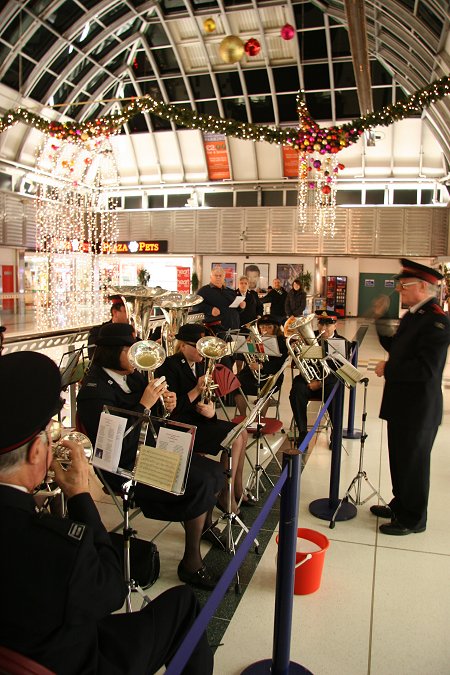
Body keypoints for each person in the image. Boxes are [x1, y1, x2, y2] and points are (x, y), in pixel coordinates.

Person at [0, 351, 213, 675]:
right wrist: (80, 495)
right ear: (35, 452)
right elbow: (112, 590)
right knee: (183, 605)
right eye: (48, 433)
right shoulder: (55, 550)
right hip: (78, 660)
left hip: (28, 644)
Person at [77, 322, 225, 589]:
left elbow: (156, 418)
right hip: (123, 465)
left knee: (214, 472)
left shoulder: (133, 374)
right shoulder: (93, 389)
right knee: (202, 481)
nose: (136, 357)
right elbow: (110, 446)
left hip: (148, 448)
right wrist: (144, 403)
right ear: (111, 352)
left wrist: (164, 403)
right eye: (129, 351)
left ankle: (202, 525)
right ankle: (191, 563)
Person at [372, 258, 450, 536]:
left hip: (418, 408)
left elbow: (426, 370)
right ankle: (400, 504)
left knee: (414, 464)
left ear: (422, 286)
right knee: (400, 459)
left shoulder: (437, 321)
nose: (399, 290)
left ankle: (413, 518)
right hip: (402, 404)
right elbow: (397, 346)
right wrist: (380, 320)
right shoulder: (414, 316)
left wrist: (389, 367)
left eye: (404, 285)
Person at [155, 323, 251, 514]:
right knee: (234, 439)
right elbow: (170, 410)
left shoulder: (199, 365)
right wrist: (196, 389)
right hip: (179, 425)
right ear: (183, 346)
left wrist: (211, 410)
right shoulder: (169, 365)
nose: (202, 351)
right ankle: (226, 493)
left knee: (242, 433)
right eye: (197, 346)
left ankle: (237, 488)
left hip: (198, 420)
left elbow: (205, 399)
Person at [289, 310, 348, 445]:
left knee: (334, 391)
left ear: (335, 325)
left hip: (329, 382)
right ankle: (303, 432)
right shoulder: (309, 338)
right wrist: (296, 350)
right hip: (309, 379)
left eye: (328, 324)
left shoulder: (342, 343)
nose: (323, 328)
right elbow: (300, 362)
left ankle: (336, 432)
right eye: (321, 324)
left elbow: (341, 371)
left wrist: (321, 383)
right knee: (296, 391)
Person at [234, 315, 288, 417]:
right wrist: (247, 347)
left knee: (265, 389)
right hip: (253, 373)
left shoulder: (281, 341)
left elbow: (281, 363)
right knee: (236, 384)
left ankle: (261, 419)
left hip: (272, 375)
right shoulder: (255, 339)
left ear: (275, 328)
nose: (265, 330)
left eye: (269, 327)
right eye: (262, 327)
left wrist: (262, 366)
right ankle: (242, 417)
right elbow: (242, 357)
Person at [197, 267, 244, 335]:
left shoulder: (230, 291)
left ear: (224, 277)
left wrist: (241, 307)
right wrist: (210, 310)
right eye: (216, 275)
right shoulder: (204, 290)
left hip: (234, 327)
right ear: (211, 277)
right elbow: (196, 305)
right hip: (215, 329)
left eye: (220, 275)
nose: (218, 277)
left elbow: (237, 310)